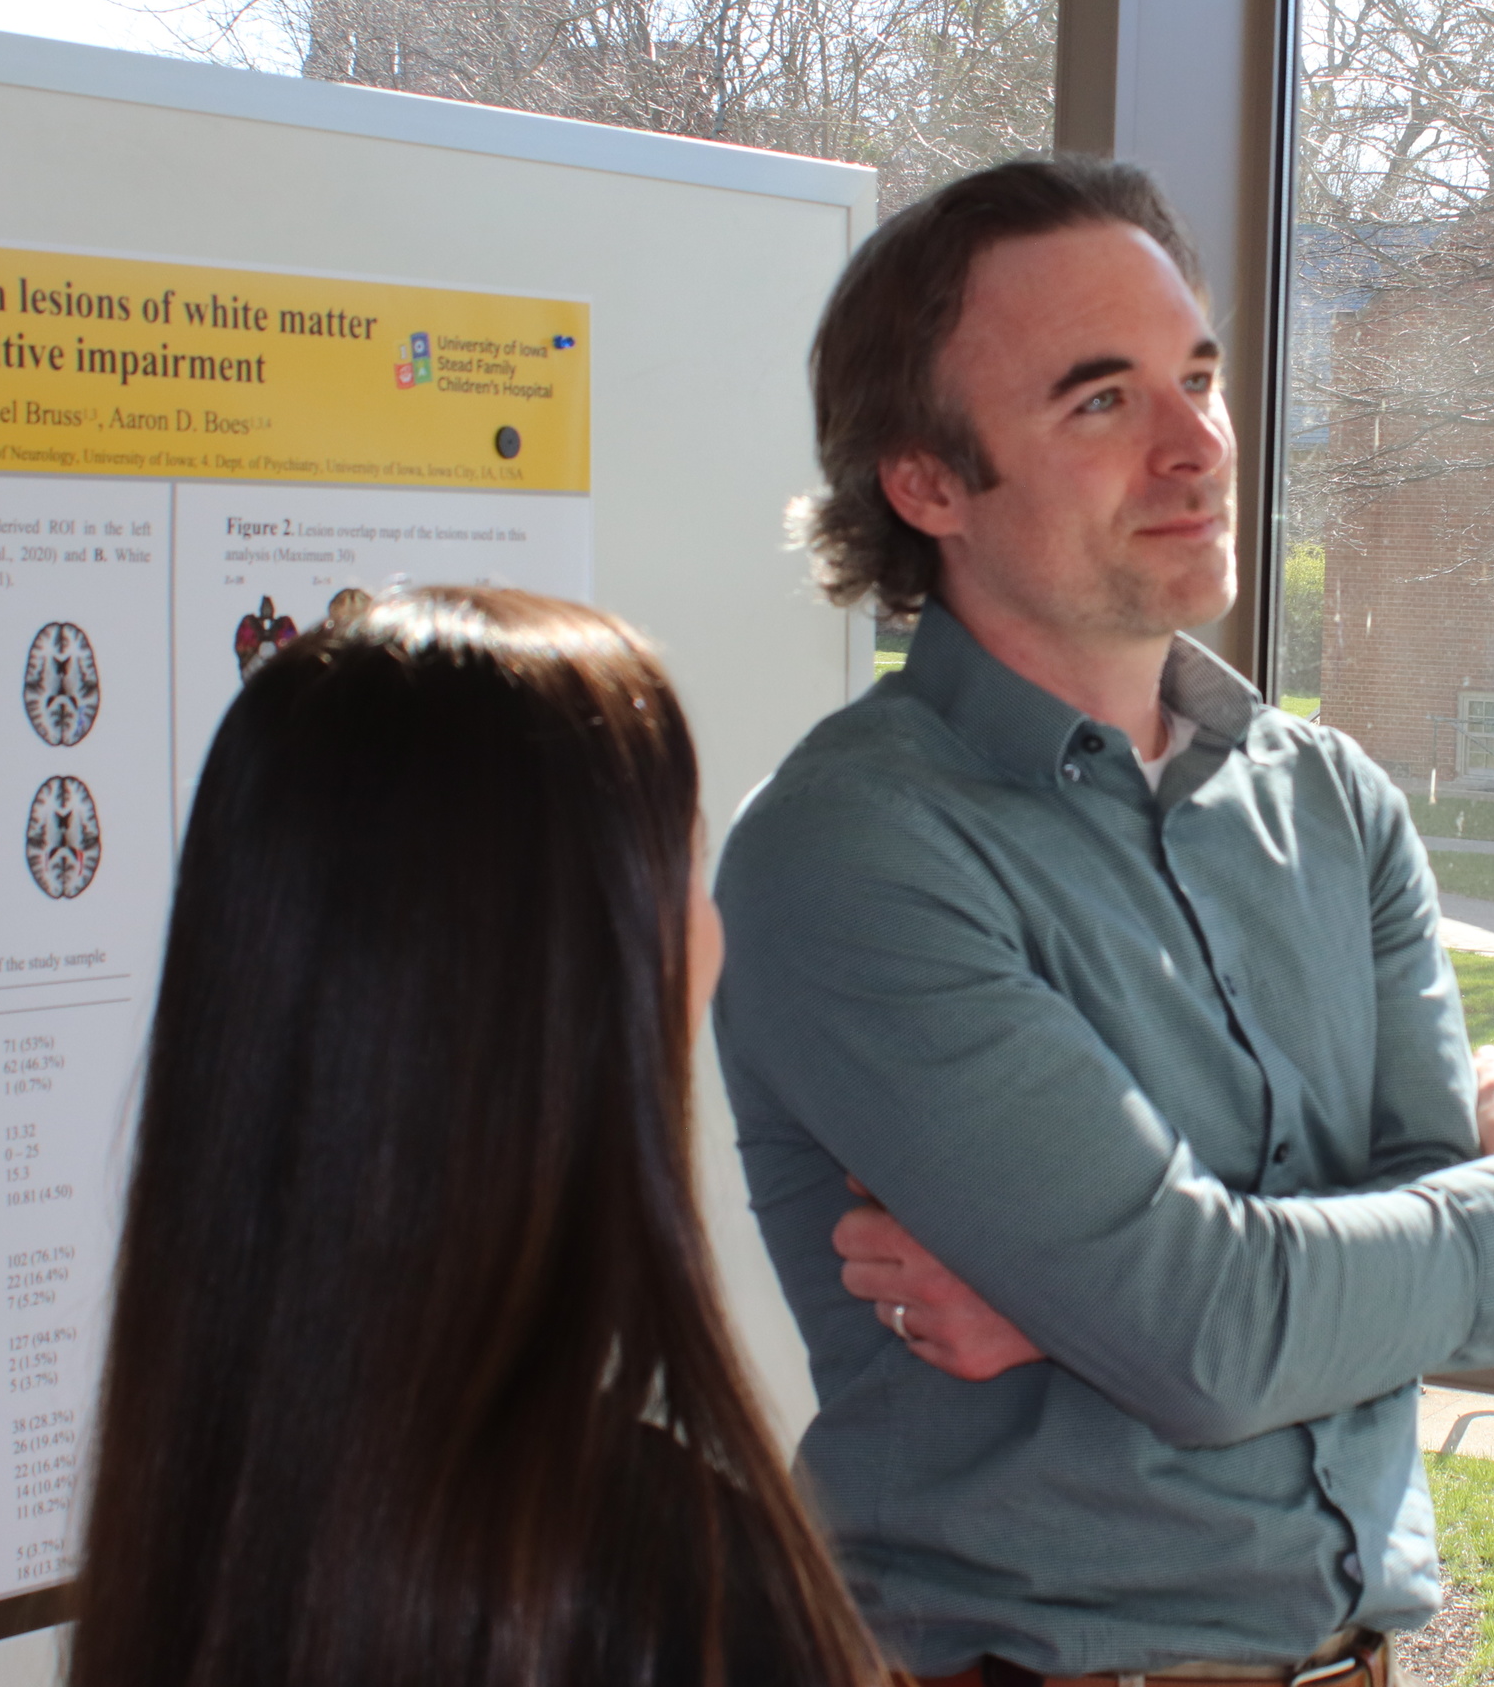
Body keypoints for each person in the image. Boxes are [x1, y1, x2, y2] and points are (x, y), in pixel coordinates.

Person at [714, 156, 1494, 1686]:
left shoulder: (1334, 803)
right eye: (1101, 401)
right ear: (927, 484)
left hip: (1361, 1659)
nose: (1199, 446)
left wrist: (1080, 1312)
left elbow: (1337, 1276)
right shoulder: (852, 853)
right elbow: (1212, 1334)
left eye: (1198, 376)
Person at [70, 588, 888, 1687]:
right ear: (572, 968)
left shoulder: (209, 1500)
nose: (713, 936)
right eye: (679, 865)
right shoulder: (657, 1589)